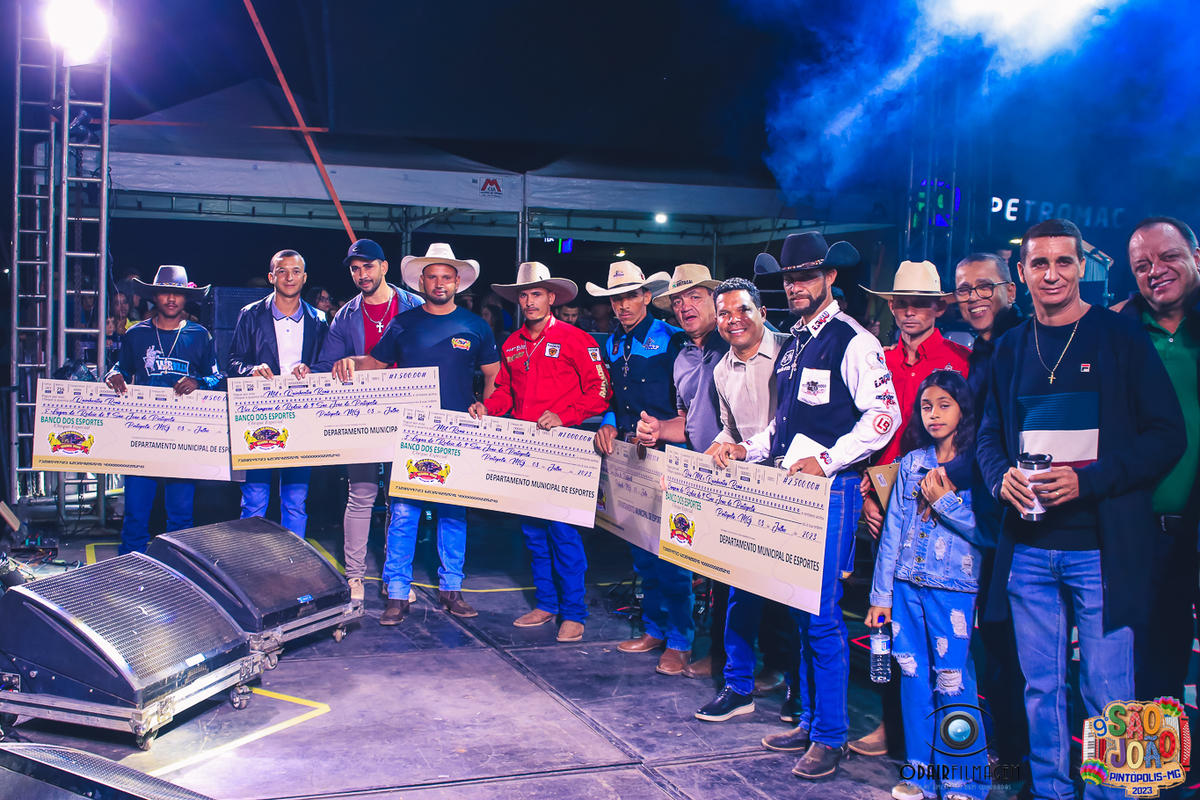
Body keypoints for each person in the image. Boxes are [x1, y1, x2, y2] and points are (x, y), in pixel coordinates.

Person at [976, 218, 1186, 800]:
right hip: (1029, 552)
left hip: (1101, 551)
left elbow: (1166, 436)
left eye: (1063, 261)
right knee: (1040, 692)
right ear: (1021, 273)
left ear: (1082, 267)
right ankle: (1052, 792)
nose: (1052, 274)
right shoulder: (1012, 346)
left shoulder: (1120, 337)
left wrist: (1088, 481)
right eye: (1039, 263)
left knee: (1111, 696)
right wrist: (999, 478)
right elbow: (989, 435)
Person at [732, 231, 901, 780]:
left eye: (806, 275)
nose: (796, 286)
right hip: (791, 490)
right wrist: (745, 448)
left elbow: (885, 417)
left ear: (829, 276)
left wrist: (827, 460)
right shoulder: (794, 343)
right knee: (799, 608)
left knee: (822, 614)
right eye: (789, 278)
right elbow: (781, 426)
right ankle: (809, 721)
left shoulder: (854, 340)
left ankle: (829, 735)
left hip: (832, 492)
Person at [332, 243, 499, 625]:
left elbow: (493, 375)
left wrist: (488, 407)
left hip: (457, 432)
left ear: (457, 282)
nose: (439, 283)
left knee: (453, 513)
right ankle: (396, 593)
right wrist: (348, 361)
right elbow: (375, 363)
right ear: (421, 282)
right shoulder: (403, 323)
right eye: (432, 277)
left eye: (446, 277)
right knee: (404, 515)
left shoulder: (476, 326)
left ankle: (452, 589)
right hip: (410, 433)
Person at [855, 259, 971, 758]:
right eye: (900, 303)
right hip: (887, 495)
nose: (908, 312)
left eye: (919, 304)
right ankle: (895, 728)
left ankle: (952, 750)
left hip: (940, 500)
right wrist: (869, 493)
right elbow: (869, 430)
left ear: (938, 308)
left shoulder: (959, 361)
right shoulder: (878, 359)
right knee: (892, 628)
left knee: (947, 644)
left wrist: (945, 492)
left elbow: (973, 435)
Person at [469, 261, 611, 643]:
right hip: (526, 451)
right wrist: (488, 407)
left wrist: (566, 415)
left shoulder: (577, 339)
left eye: (536, 294)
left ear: (551, 297)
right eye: (524, 295)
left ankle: (574, 613)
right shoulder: (512, 344)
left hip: (565, 450)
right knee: (533, 533)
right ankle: (547, 603)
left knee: (564, 532)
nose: (530, 301)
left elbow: (600, 392)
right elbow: (505, 392)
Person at [867, 371, 991, 800]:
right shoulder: (912, 464)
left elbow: (988, 533)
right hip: (905, 588)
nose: (934, 414)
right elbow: (892, 534)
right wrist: (881, 596)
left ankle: (965, 782)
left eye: (944, 405)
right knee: (912, 678)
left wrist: (945, 502)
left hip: (953, 591)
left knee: (953, 683)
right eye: (926, 406)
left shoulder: (979, 464)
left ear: (963, 409)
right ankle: (920, 774)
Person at [588, 261, 698, 676]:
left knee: (672, 554)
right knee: (641, 550)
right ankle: (654, 628)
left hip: (670, 453)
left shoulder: (673, 339)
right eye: (616, 299)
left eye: (631, 296)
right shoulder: (613, 343)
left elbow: (690, 402)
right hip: (630, 457)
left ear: (647, 297)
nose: (623, 305)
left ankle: (680, 641)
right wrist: (608, 421)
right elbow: (612, 400)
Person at [701, 277, 802, 719]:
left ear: (762, 311)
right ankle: (738, 686)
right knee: (740, 591)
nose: (733, 320)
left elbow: (791, 423)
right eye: (724, 313)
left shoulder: (791, 352)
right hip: (748, 492)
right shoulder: (721, 370)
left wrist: (743, 448)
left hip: (795, 490)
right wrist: (706, 458)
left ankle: (799, 691)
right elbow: (730, 430)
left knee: (795, 600)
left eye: (742, 309)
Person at [945, 252, 1028, 772]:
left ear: (1010, 291)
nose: (974, 297)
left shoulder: (1023, 343)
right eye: (964, 289)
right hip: (989, 520)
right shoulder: (979, 350)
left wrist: (951, 474)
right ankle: (1012, 753)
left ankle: (1023, 760)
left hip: (1024, 518)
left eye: (984, 286)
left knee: (1014, 645)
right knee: (995, 641)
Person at [1114, 217, 1200, 717]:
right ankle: (1149, 763)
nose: (1156, 270)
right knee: (1139, 664)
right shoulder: (1116, 330)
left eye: (1168, 257)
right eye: (1142, 264)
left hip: (1194, 530)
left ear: (1196, 257)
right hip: (1138, 531)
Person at [313, 238, 424, 603]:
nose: (362, 274)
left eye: (368, 266)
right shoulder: (345, 315)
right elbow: (327, 363)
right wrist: (312, 371)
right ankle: (355, 578)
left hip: (406, 413)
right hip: (362, 415)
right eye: (355, 269)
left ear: (384, 267)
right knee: (360, 495)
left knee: (401, 500)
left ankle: (395, 579)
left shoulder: (413, 306)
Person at [632, 264, 728, 676]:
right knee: (682, 559)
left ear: (715, 301)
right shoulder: (683, 355)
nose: (685, 306)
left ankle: (727, 658)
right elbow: (687, 423)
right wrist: (658, 429)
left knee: (731, 575)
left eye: (695, 297)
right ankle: (700, 648)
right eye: (677, 300)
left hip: (739, 471)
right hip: (697, 471)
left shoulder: (734, 344)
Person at [103, 266, 222, 554]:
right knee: (135, 513)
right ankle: (130, 567)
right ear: (154, 296)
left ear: (186, 298)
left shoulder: (200, 335)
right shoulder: (136, 334)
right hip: (142, 434)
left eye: (178, 294)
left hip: (183, 437)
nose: (171, 299)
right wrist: (113, 374)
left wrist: (199, 381)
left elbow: (217, 376)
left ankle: (176, 568)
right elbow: (122, 367)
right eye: (165, 293)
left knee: (181, 514)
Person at [228, 249, 329, 538]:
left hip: (301, 417)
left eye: (296, 271)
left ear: (305, 278)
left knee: (295, 502)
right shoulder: (250, 314)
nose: (289, 277)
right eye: (282, 271)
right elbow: (232, 363)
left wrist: (313, 370)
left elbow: (326, 364)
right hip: (259, 416)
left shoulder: (319, 319)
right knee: (254, 500)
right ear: (272, 277)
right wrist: (251, 369)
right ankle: (250, 562)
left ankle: (291, 562)